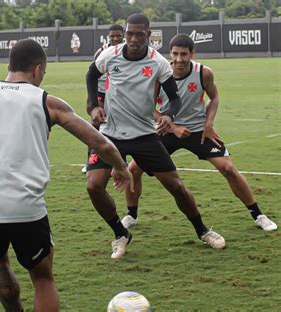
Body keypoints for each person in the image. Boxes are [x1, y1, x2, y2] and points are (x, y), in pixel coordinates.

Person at [0, 39, 133, 312]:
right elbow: (100, 142)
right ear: (38, 69)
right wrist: (121, 167)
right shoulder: (46, 102)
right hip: (24, 206)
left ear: (9, 66)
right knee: (42, 277)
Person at [85, 14, 226, 259]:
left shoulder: (158, 63)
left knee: (175, 186)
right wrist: (94, 106)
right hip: (110, 135)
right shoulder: (110, 54)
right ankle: (120, 233)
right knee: (94, 186)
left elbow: (174, 98)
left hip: (144, 136)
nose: (133, 38)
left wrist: (169, 116)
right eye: (130, 33)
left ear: (149, 36)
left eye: (140, 34)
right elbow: (91, 75)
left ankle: (203, 231)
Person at [123, 34, 277, 232]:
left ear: (192, 54)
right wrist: (173, 127)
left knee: (228, 168)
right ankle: (131, 215)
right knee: (133, 170)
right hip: (165, 130)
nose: (179, 59)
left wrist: (209, 124)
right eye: (175, 54)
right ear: (170, 53)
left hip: (199, 130)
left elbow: (214, 98)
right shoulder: (158, 75)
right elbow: (147, 108)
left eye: (184, 54)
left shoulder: (204, 72)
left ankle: (258, 215)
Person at [82, 24, 124, 173]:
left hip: (119, 93)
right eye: (113, 36)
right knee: (96, 123)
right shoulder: (102, 52)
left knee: (121, 125)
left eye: (118, 35)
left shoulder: (127, 51)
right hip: (102, 91)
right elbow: (92, 74)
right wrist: (92, 101)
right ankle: (90, 160)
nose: (115, 38)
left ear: (123, 35)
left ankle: (120, 159)